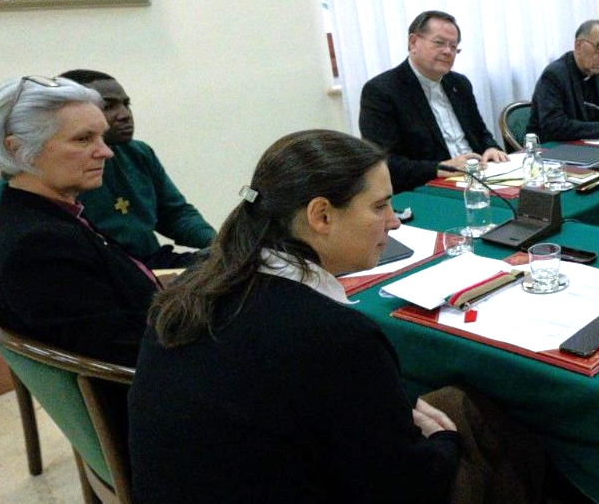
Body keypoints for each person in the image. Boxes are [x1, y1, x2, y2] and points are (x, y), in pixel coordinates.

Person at [130, 130, 463, 503]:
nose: (394, 221)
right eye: (380, 206)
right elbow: (408, 488)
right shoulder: (336, 336)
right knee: (479, 429)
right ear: (321, 215)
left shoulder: (192, 288)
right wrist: (447, 441)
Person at [0, 76, 159, 366]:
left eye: (101, 137)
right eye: (83, 139)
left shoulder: (50, 215)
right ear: (16, 149)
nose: (106, 151)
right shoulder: (37, 246)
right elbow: (124, 349)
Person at [0, 70, 214, 269]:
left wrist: (220, 244)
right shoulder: (25, 184)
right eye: (108, 106)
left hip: (151, 262)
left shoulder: (139, 153)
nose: (124, 114)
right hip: (101, 272)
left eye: (127, 103)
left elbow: (174, 213)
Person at [360, 10, 509, 193]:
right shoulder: (382, 91)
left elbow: (480, 132)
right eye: (439, 43)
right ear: (413, 42)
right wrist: (443, 167)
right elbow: (385, 162)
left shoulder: (459, 83)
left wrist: (491, 148)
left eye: (454, 46)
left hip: (481, 177)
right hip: (429, 187)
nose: (448, 51)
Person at [527, 20, 599, 143]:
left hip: (590, 147)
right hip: (552, 151)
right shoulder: (554, 75)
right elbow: (554, 126)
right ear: (578, 45)